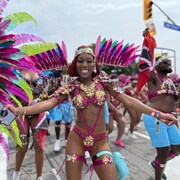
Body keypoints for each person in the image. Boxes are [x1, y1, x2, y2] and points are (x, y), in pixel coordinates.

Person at [7, 46, 177, 180]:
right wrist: (19, 110)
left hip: (100, 141)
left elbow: (129, 100)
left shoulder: (105, 82)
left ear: (95, 64)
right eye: (81, 61)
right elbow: (48, 103)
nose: (85, 64)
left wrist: (158, 114)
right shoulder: (71, 86)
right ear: (76, 63)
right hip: (77, 140)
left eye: (89, 61)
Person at [139, 29, 180, 180]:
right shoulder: (153, 77)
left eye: (169, 62)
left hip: (170, 119)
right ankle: (158, 174)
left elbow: (173, 101)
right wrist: (146, 40)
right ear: (156, 66)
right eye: (164, 61)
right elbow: (145, 63)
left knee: (177, 149)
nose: (168, 62)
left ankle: (156, 164)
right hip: (155, 118)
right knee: (163, 152)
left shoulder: (171, 82)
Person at [12, 70, 48, 180]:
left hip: (38, 111)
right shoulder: (16, 71)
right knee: (23, 146)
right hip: (22, 111)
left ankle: (39, 176)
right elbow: (11, 92)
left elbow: (45, 95)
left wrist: (43, 92)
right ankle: (16, 173)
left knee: (39, 146)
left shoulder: (42, 74)